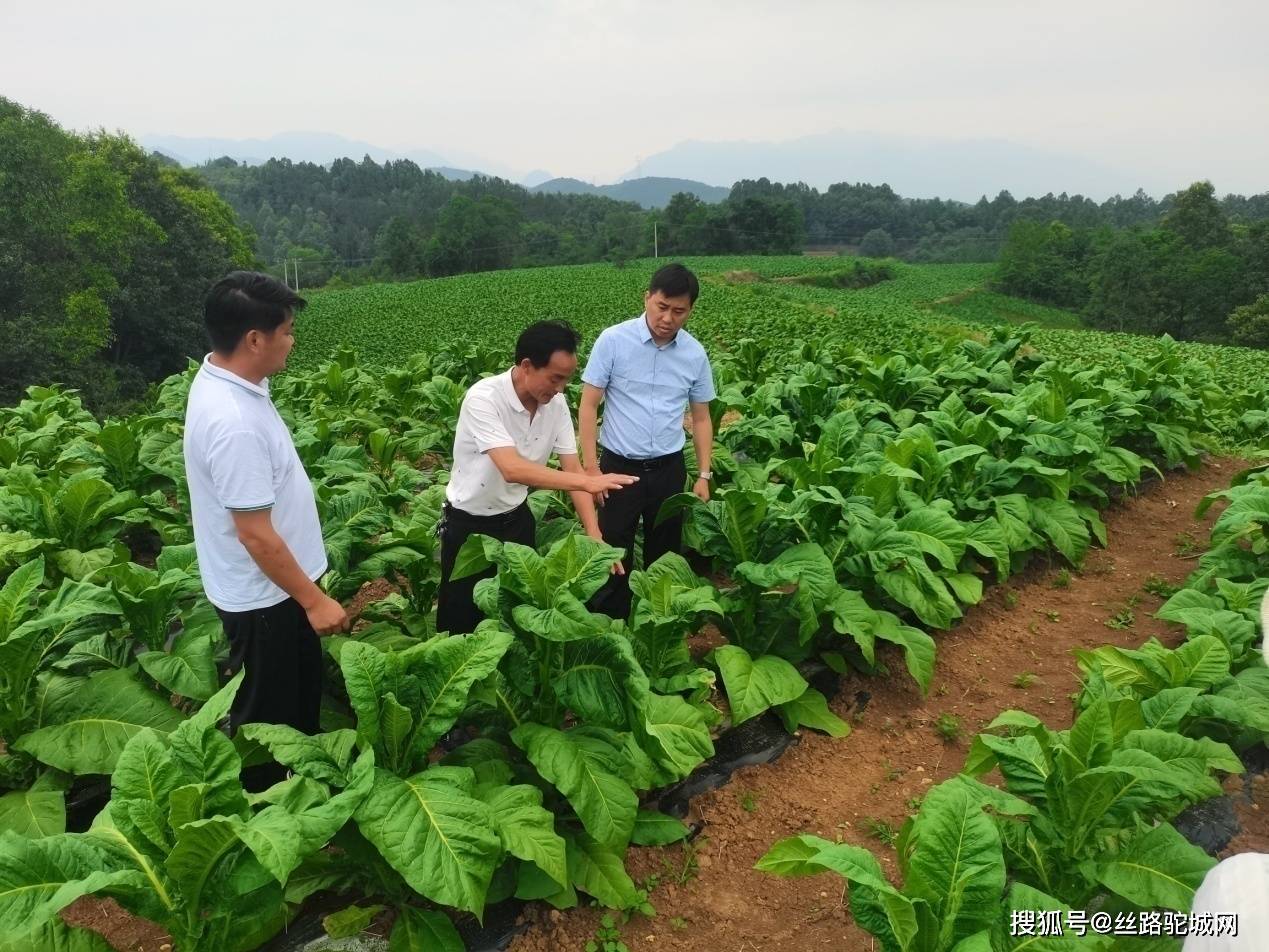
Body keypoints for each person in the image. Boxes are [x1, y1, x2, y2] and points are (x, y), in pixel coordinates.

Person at [184, 271, 347, 788]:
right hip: (267, 598)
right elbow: (255, 534)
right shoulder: (233, 421)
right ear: (254, 340)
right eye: (287, 331)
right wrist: (314, 601)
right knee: (271, 718)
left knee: (297, 697)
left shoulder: (227, 377)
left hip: (275, 589)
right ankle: (270, 814)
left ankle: (303, 792)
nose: (292, 341)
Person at [436, 320, 637, 635]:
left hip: (517, 520)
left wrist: (595, 534)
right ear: (527, 366)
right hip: (469, 527)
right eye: (555, 378)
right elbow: (512, 469)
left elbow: (572, 468)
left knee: (520, 613)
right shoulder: (484, 398)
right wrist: (587, 481)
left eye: (566, 380)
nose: (560, 389)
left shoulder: (554, 405)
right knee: (460, 620)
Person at [579, 263, 716, 620]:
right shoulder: (613, 340)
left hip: (668, 469)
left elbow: (701, 417)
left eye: (679, 311)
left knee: (665, 552)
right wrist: (591, 470)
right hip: (618, 468)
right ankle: (612, 624)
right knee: (613, 552)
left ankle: (657, 624)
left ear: (690, 311)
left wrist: (703, 474)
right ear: (647, 298)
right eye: (662, 306)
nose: (668, 318)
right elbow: (589, 404)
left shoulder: (695, 354)